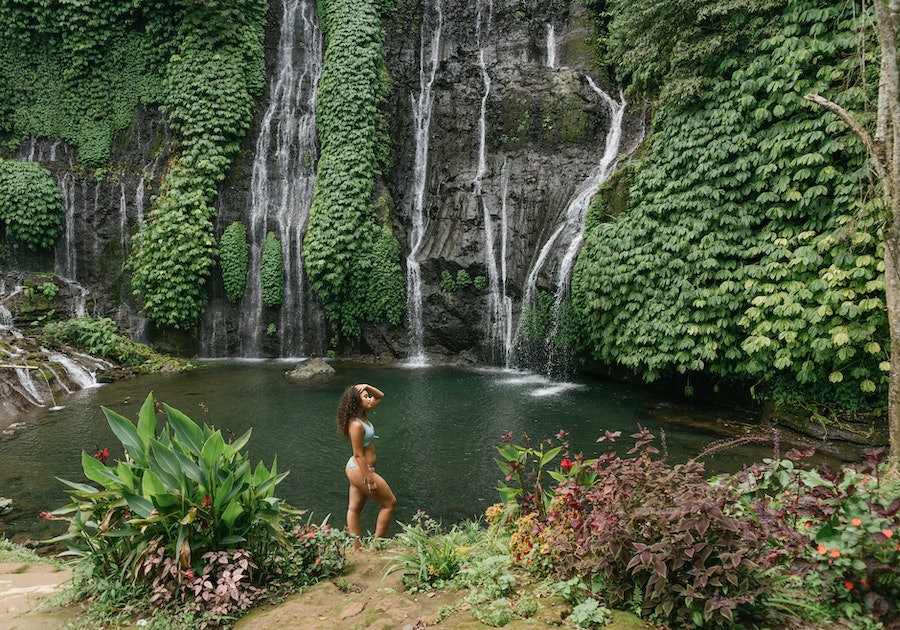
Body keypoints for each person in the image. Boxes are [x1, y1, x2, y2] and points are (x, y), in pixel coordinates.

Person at [336, 382, 396, 549]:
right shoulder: (355, 425)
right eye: (364, 397)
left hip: (358, 469)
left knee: (354, 508)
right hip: (360, 469)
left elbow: (380, 396)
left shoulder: (362, 415)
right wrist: (369, 479)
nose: (369, 398)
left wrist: (367, 386)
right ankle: (377, 545)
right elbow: (358, 454)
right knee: (389, 503)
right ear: (356, 402)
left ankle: (357, 549)